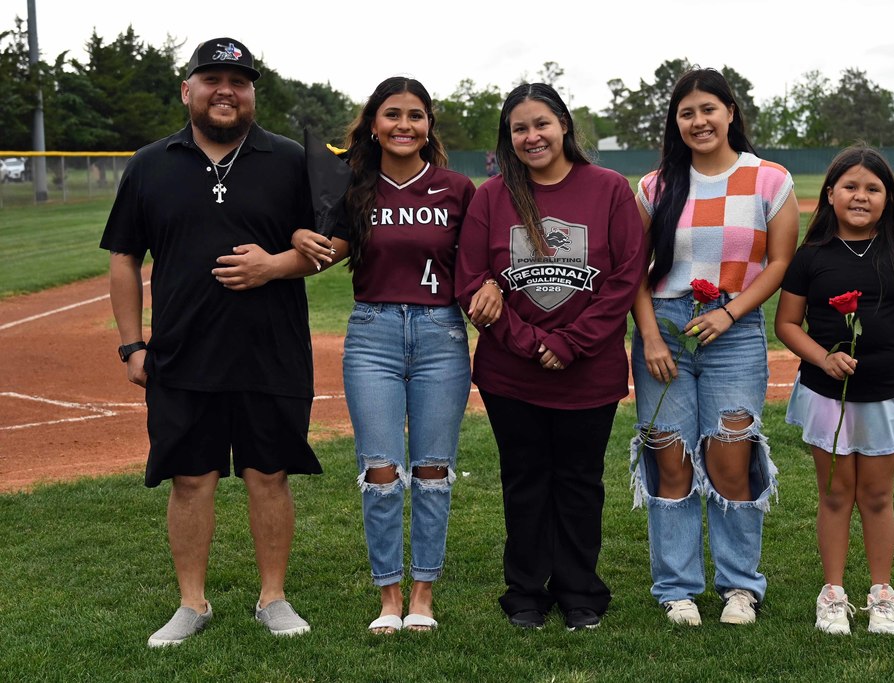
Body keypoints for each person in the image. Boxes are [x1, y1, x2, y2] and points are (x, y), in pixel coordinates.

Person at [101, 37, 321, 647]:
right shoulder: (150, 163)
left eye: (239, 80)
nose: (226, 89)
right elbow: (124, 257)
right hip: (181, 350)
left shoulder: (287, 159)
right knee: (190, 479)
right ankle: (190, 603)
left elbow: (326, 247)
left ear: (253, 94)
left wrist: (274, 265)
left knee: (268, 473)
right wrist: (132, 345)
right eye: (212, 78)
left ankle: (273, 597)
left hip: (270, 347)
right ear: (187, 89)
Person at [291, 77, 478, 635]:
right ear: (373, 124)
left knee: (432, 469)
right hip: (372, 334)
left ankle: (423, 593)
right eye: (392, 114)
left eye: (415, 115)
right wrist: (303, 236)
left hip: (441, 334)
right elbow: (329, 248)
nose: (404, 125)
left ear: (429, 126)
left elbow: (477, 262)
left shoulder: (456, 189)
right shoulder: (356, 187)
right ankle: (389, 596)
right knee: (379, 471)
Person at [455, 83, 645, 631]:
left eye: (541, 123)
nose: (531, 136)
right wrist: (531, 343)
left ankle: (580, 590)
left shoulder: (608, 189)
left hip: (589, 370)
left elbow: (625, 277)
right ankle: (525, 591)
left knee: (580, 481)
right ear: (508, 138)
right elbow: (471, 279)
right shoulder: (492, 196)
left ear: (563, 125)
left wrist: (569, 344)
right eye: (519, 128)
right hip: (510, 372)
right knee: (525, 478)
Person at [629, 67, 800, 627]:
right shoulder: (654, 186)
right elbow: (633, 270)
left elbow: (778, 263)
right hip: (666, 331)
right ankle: (677, 587)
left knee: (732, 460)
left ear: (730, 112)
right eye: (686, 113)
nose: (698, 121)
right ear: (675, 122)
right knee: (670, 459)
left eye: (708, 109)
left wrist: (730, 312)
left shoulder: (769, 180)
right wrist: (651, 334)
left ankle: (740, 588)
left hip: (735, 328)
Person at [775, 144, 894, 636]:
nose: (861, 196)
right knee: (834, 495)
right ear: (830, 194)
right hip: (828, 399)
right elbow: (786, 324)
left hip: (889, 397)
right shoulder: (811, 257)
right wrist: (822, 357)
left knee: (877, 495)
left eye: (873, 188)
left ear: (889, 197)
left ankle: (882, 594)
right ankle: (833, 593)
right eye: (850, 186)